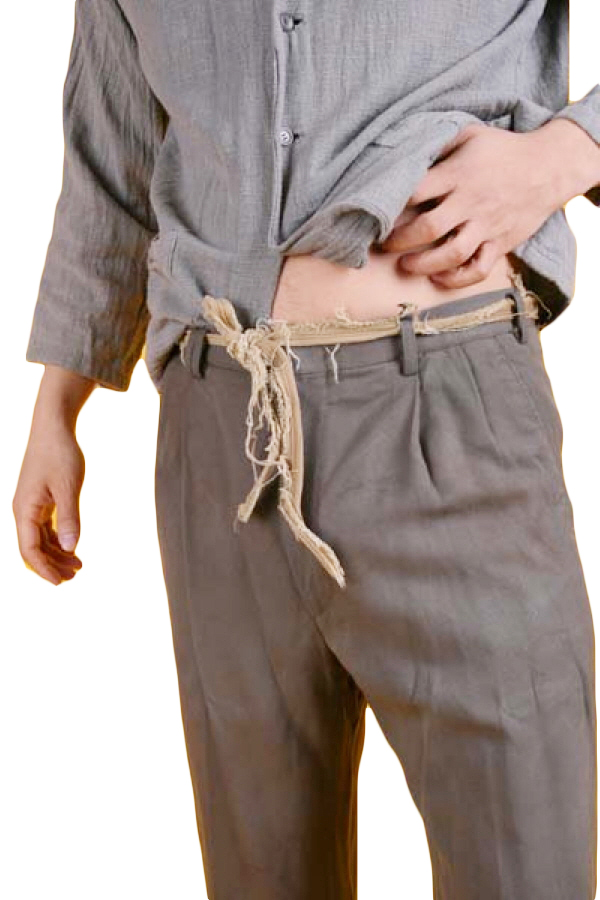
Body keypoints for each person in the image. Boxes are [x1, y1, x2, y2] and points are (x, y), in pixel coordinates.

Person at [13, 1, 600, 897]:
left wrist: (569, 152)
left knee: (525, 864)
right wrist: (59, 402)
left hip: (450, 414)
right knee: (261, 872)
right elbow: (112, 142)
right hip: (218, 434)